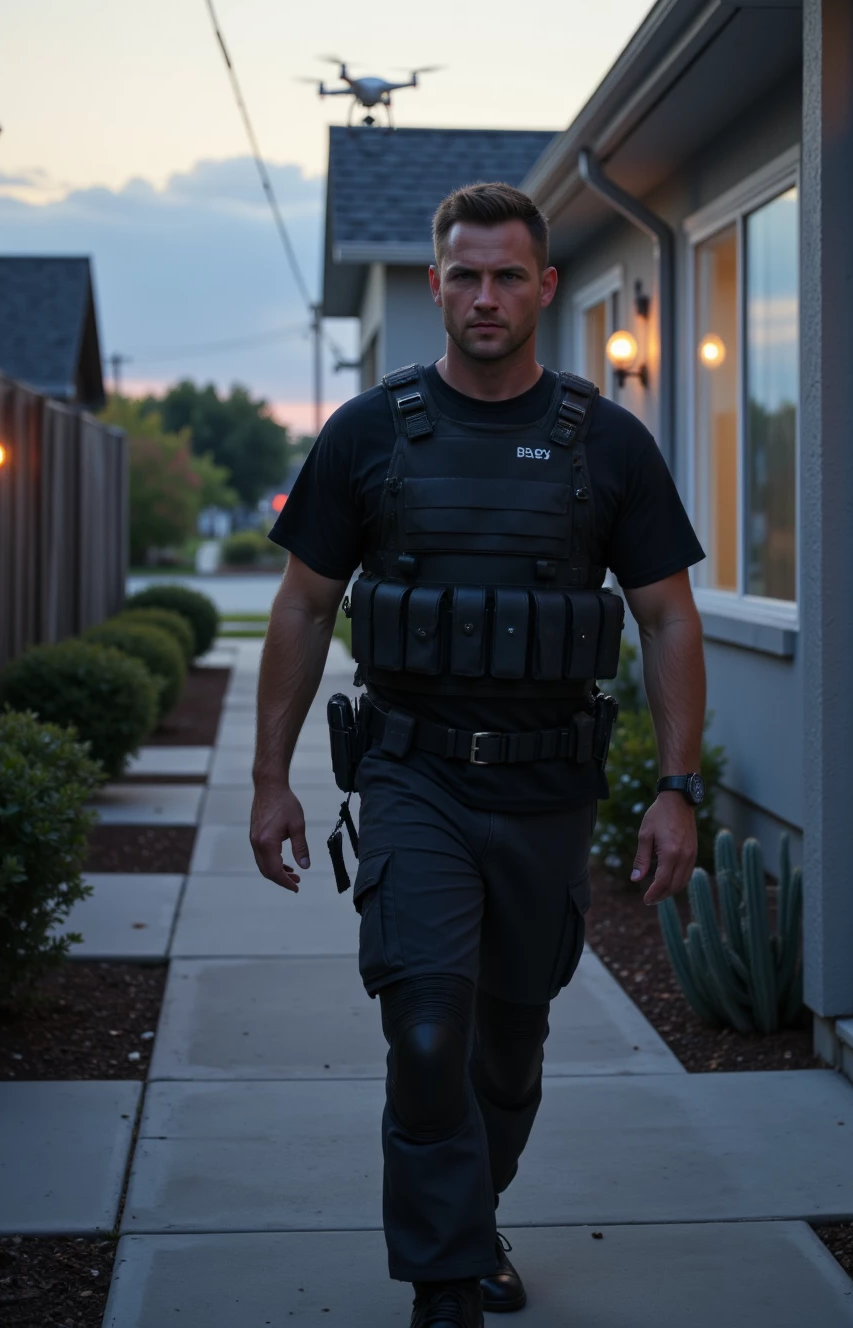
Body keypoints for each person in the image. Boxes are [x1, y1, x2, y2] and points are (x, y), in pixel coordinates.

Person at [251, 182, 706, 1328]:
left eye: (509, 275)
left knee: (505, 1046)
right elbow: (303, 608)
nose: (486, 295)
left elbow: (666, 617)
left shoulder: (607, 441)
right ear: (437, 286)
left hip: (546, 790)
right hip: (411, 777)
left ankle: (473, 1209)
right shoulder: (368, 431)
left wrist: (676, 789)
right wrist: (271, 781)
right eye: (465, 274)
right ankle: (445, 1279)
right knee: (426, 1026)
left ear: (545, 287)